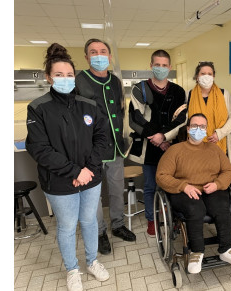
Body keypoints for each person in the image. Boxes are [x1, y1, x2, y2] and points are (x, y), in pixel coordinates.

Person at [26, 43, 110, 291]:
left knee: (90, 221)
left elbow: (102, 138)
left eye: (70, 74)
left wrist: (88, 170)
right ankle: (72, 269)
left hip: (91, 177)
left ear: (75, 76)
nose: (65, 79)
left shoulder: (89, 104)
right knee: (66, 226)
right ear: (48, 77)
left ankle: (92, 262)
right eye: (59, 75)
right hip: (60, 182)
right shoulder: (39, 107)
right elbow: (40, 149)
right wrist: (75, 172)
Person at [155, 113, 231, 274]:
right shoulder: (175, 150)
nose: (198, 129)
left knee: (222, 206)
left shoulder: (214, 149)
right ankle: (197, 252)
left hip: (210, 188)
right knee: (195, 208)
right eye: (195, 126)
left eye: (202, 126)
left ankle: (226, 250)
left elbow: (227, 171)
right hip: (184, 191)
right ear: (188, 128)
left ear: (206, 129)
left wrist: (217, 184)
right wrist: (183, 186)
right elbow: (161, 176)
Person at [75, 38, 136, 255]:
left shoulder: (116, 81)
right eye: (93, 52)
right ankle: (99, 232)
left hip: (116, 148)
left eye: (103, 52)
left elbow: (121, 111)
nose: (99, 56)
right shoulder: (79, 81)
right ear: (86, 57)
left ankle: (118, 225)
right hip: (91, 151)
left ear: (110, 56)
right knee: (94, 195)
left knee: (117, 190)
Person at [128, 49, 187, 237]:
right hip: (149, 146)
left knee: (174, 184)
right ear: (151, 65)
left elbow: (181, 119)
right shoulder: (140, 89)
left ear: (169, 67)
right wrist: (157, 138)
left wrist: (165, 137)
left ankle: (175, 217)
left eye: (164, 65)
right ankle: (152, 220)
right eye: (157, 65)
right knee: (150, 186)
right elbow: (135, 118)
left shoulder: (178, 92)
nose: (161, 68)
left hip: (172, 146)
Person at [187, 61, 231, 170]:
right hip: (195, 145)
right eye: (203, 74)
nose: (206, 77)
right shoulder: (189, 94)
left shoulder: (224, 94)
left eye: (209, 74)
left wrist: (220, 133)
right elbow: (186, 120)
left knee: (220, 179)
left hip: (220, 142)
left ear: (214, 76)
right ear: (197, 77)